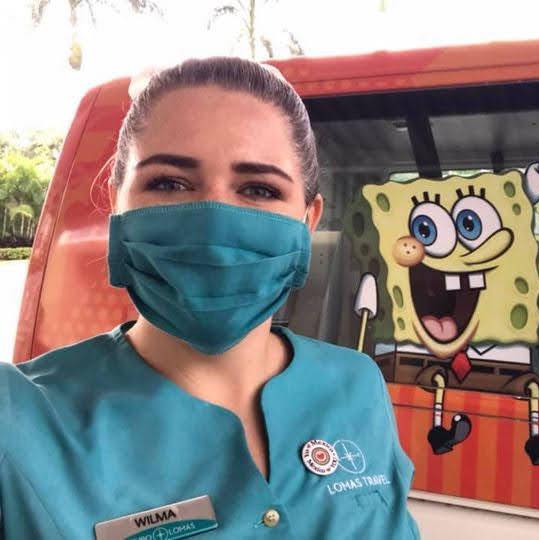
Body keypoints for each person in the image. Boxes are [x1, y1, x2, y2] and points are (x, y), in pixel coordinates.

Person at [0, 57, 420, 539]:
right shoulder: (18, 419)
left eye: (259, 189)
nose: (215, 221)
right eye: (169, 183)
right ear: (117, 202)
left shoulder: (357, 386)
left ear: (308, 220)